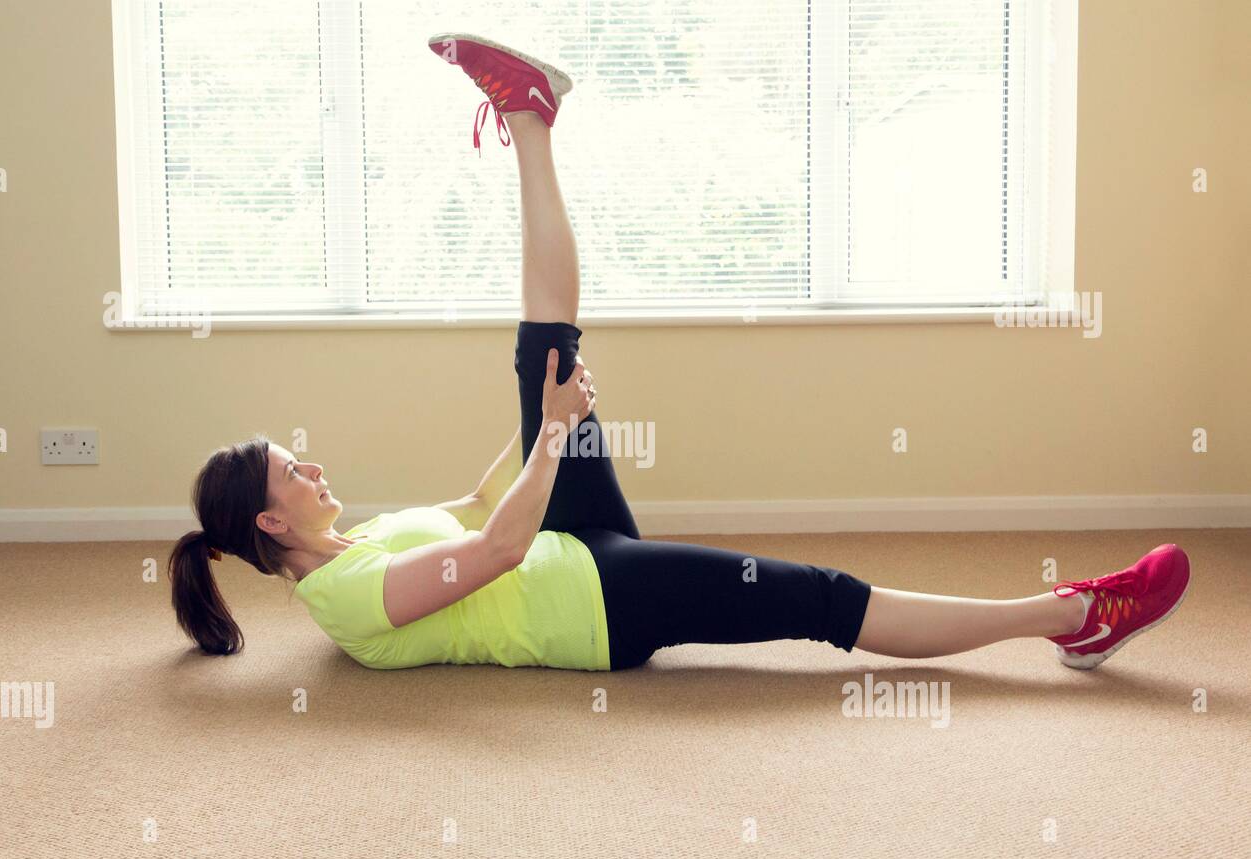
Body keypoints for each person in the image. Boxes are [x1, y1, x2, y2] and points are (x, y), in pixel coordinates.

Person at [168, 34, 1191, 673]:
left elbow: (484, 509)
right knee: (817, 599)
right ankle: (1066, 618)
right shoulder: (344, 598)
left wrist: (545, 413)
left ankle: (529, 117)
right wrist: (551, 438)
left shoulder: (365, 538)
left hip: (568, 543)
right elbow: (495, 555)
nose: (312, 468)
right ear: (269, 520)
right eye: (290, 472)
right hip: (596, 608)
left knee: (542, 354)